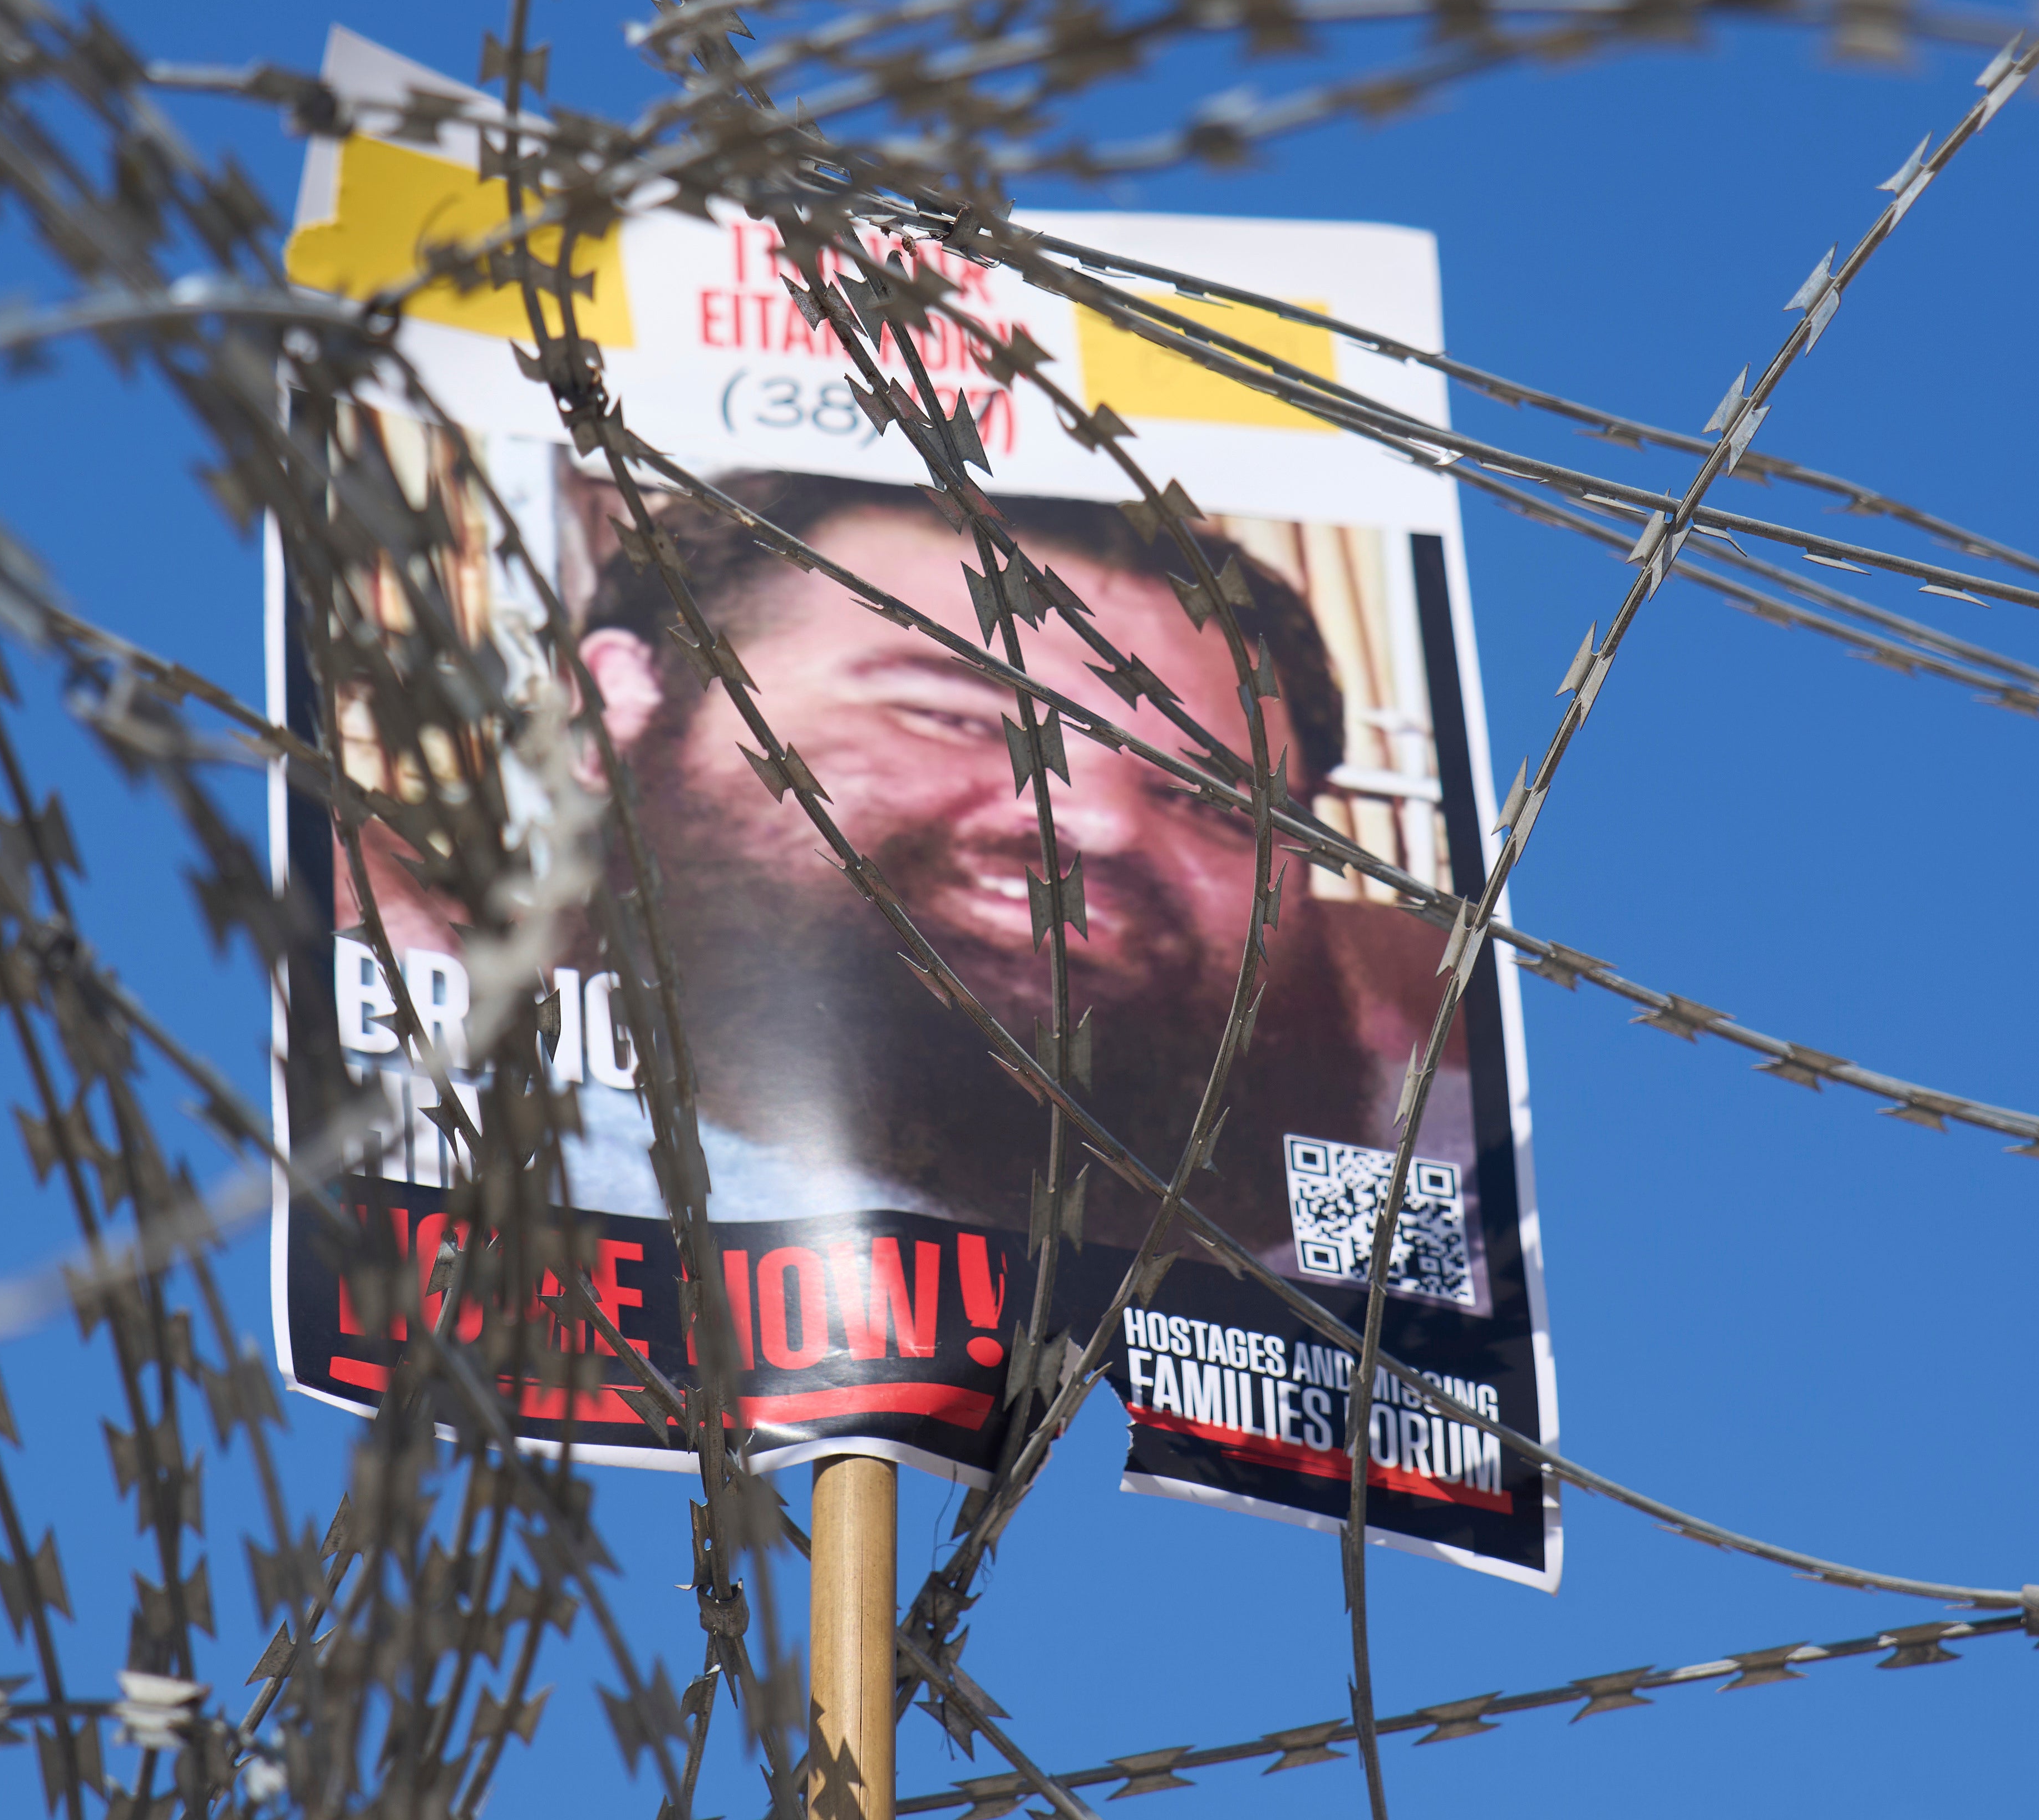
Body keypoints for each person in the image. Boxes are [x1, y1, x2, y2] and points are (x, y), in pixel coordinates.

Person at [338, 467, 1476, 1288]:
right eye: (949, 714)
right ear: (616, 706)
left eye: (1210, 801)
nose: (1091, 819)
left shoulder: (1423, 1171)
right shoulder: (407, 1076)